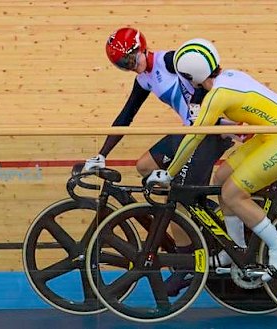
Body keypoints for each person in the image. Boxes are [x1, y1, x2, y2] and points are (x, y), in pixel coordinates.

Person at [147, 38, 277, 282]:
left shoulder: (218, 96)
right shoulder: (230, 76)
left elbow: (193, 137)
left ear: (192, 75)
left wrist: (169, 172)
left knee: (233, 193)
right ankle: (234, 248)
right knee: (221, 177)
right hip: (273, 135)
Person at [85, 27, 234, 295]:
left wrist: (205, 107)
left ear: (142, 47)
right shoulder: (144, 80)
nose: (131, 67)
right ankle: (198, 205)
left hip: (207, 133)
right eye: (123, 66)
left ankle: (185, 263)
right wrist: (102, 154)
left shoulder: (170, 61)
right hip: (190, 132)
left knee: (173, 198)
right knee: (144, 167)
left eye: (131, 60)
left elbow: (211, 70)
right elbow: (125, 117)